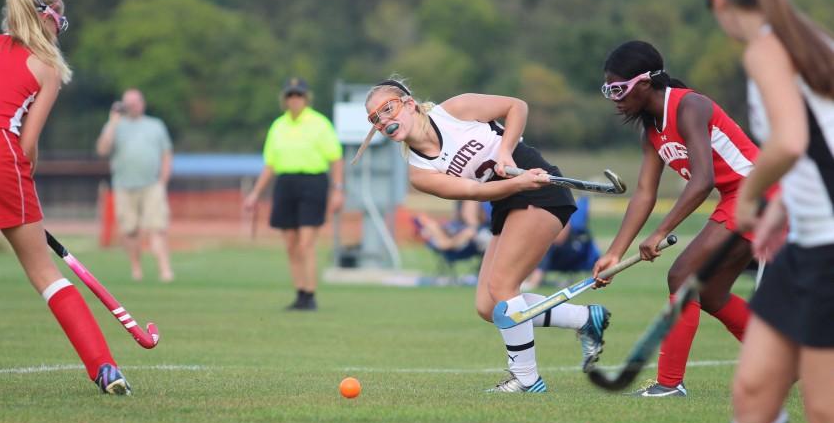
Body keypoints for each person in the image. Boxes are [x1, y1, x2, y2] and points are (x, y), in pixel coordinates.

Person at [0, 0, 131, 395]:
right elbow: (26, 144)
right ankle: (104, 368)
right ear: (50, 17)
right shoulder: (47, 66)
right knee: (45, 273)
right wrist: (23, 188)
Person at [360, 79, 611, 392]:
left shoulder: (455, 110)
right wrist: (516, 185)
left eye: (388, 109)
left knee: (503, 287)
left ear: (409, 103)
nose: (383, 121)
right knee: (487, 304)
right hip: (508, 198)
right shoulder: (419, 172)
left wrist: (505, 151)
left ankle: (526, 379)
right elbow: (475, 190)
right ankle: (584, 318)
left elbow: (516, 106)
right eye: (375, 119)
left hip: (540, 187)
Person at [707, 0, 834, 423]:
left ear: (716, 1)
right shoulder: (808, 40)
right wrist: (789, 202)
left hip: (828, 248)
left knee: (827, 416)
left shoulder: (766, 49)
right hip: (805, 242)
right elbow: (815, 146)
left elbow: (785, 141)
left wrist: (754, 195)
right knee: (755, 396)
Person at [592, 40, 766, 398]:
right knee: (713, 293)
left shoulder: (690, 106)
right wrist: (614, 252)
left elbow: (703, 181)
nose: (615, 98)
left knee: (682, 275)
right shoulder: (652, 131)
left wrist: (659, 233)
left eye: (619, 88)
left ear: (645, 82)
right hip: (740, 199)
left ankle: (670, 384)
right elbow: (644, 192)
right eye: (608, 90)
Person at [244, 78, 344, 311]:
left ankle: (310, 294)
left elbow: (335, 159)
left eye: (298, 95)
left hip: (313, 183)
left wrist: (338, 189)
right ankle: (300, 293)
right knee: (291, 244)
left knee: (306, 243)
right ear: (285, 99)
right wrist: (255, 193)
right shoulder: (278, 126)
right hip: (286, 183)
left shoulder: (320, 124)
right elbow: (270, 164)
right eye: (290, 95)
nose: (294, 100)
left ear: (306, 98)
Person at [96, 88, 174, 282]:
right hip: (124, 185)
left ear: (142, 103)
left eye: (136, 102)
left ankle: (165, 271)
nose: (133, 106)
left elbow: (166, 153)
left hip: (152, 185)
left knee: (158, 227)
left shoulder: (155, 125)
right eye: (128, 103)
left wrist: (163, 180)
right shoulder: (115, 126)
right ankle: (136, 269)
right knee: (129, 231)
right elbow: (102, 149)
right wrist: (112, 122)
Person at [525, 195, 600, 289]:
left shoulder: (558, 206)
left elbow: (559, 240)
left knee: (546, 245)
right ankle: (524, 280)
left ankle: (533, 282)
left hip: (570, 252)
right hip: (556, 253)